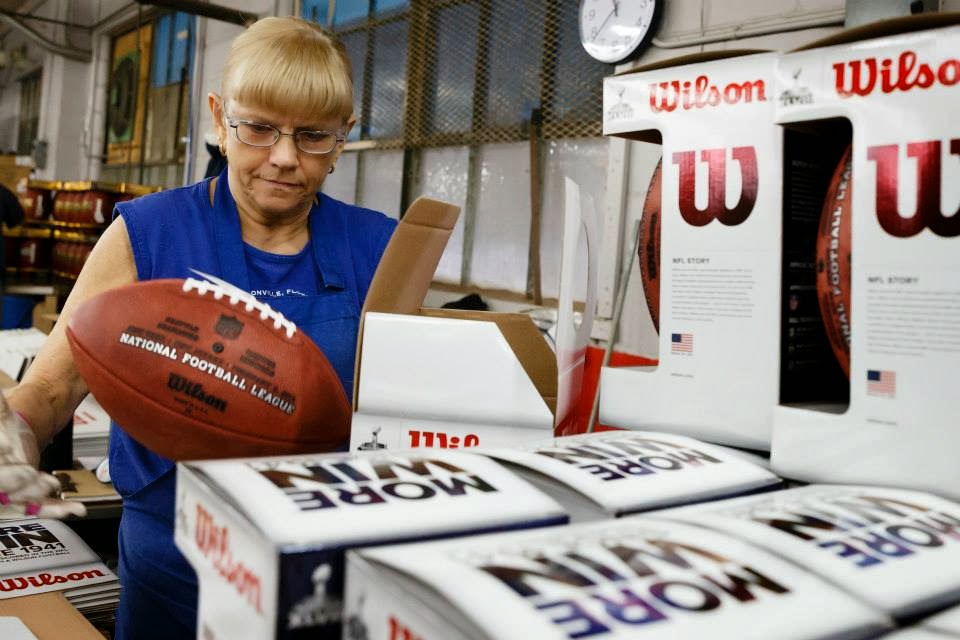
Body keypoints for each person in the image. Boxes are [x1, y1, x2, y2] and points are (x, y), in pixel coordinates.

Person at [0, 16, 396, 639]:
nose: (284, 158)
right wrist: (13, 437)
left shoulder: (379, 247)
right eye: (259, 128)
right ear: (219, 118)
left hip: (320, 576)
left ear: (343, 137)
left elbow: (411, 420)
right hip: (172, 573)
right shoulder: (148, 233)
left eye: (313, 136)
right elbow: (50, 389)